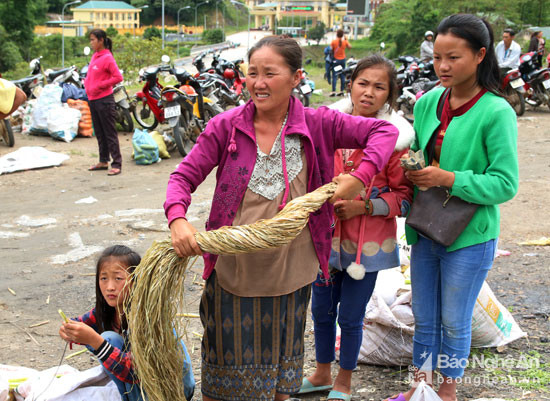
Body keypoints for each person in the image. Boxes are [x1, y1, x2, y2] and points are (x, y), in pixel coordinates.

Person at [164, 35, 398, 401]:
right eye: (252, 73)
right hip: (234, 269)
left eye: (270, 73)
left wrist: (359, 176)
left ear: (295, 77)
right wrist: (178, 218)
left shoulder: (320, 124)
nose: (258, 83)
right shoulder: (225, 127)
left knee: (279, 377)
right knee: (220, 379)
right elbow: (182, 177)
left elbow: (385, 131)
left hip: (291, 271)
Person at [384, 14, 518, 401]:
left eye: (453, 57)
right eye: (438, 57)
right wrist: (413, 166)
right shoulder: (428, 103)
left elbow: (505, 184)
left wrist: (448, 178)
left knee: (454, 322)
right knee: (425, 318)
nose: (442, 66)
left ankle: (447, 393)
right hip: (426, 227)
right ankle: (418, 387)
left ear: (479, 56)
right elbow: (421, 151)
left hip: (469, 235)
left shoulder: (496, 111)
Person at [301, 54, 414, 401]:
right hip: (324, 242)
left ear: (390, 95)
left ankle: (344, 380)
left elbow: (405, 198)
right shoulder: (328, 128)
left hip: (366, 250)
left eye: (379, 87)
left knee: (351, 316)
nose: (368, 93)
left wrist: (364, 206)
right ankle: (321, 372)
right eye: (362, 83)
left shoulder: (396, 143)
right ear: (349, 85)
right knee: (320, 309)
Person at [58, 245, 195, 401]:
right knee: (109, 339)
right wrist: (68, 329)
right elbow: (81, 323)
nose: (110, 287)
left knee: (107, 339)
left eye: (118, 278)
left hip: (170, 390)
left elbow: (134, 373)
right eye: (104, 278)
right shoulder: (107, 311)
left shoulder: (148, 319)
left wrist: (94, 341)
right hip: (139, 384)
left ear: (137, 280)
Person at [84, 29, 123, 176]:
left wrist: (100, 85)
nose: (91, 42)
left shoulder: (107, 57)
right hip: (93, 99)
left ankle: (117, 163)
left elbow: (118, 77)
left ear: (101, 40)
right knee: (99, 133)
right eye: (91, 40)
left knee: (109, 133)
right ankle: (103, 160)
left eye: (93, 40)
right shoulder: (95, 56)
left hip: (104, 100)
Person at [331, 29, 351, 96]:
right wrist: (346, 39)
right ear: (342, 35)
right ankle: (341, 90)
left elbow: (331, 50)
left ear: (337, 34)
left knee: (334, 75)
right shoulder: (344, 42)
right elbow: (350, 47)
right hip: (343, 60)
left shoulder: (333, 42)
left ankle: (333, 91)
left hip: (336, 60)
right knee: (342, 75)